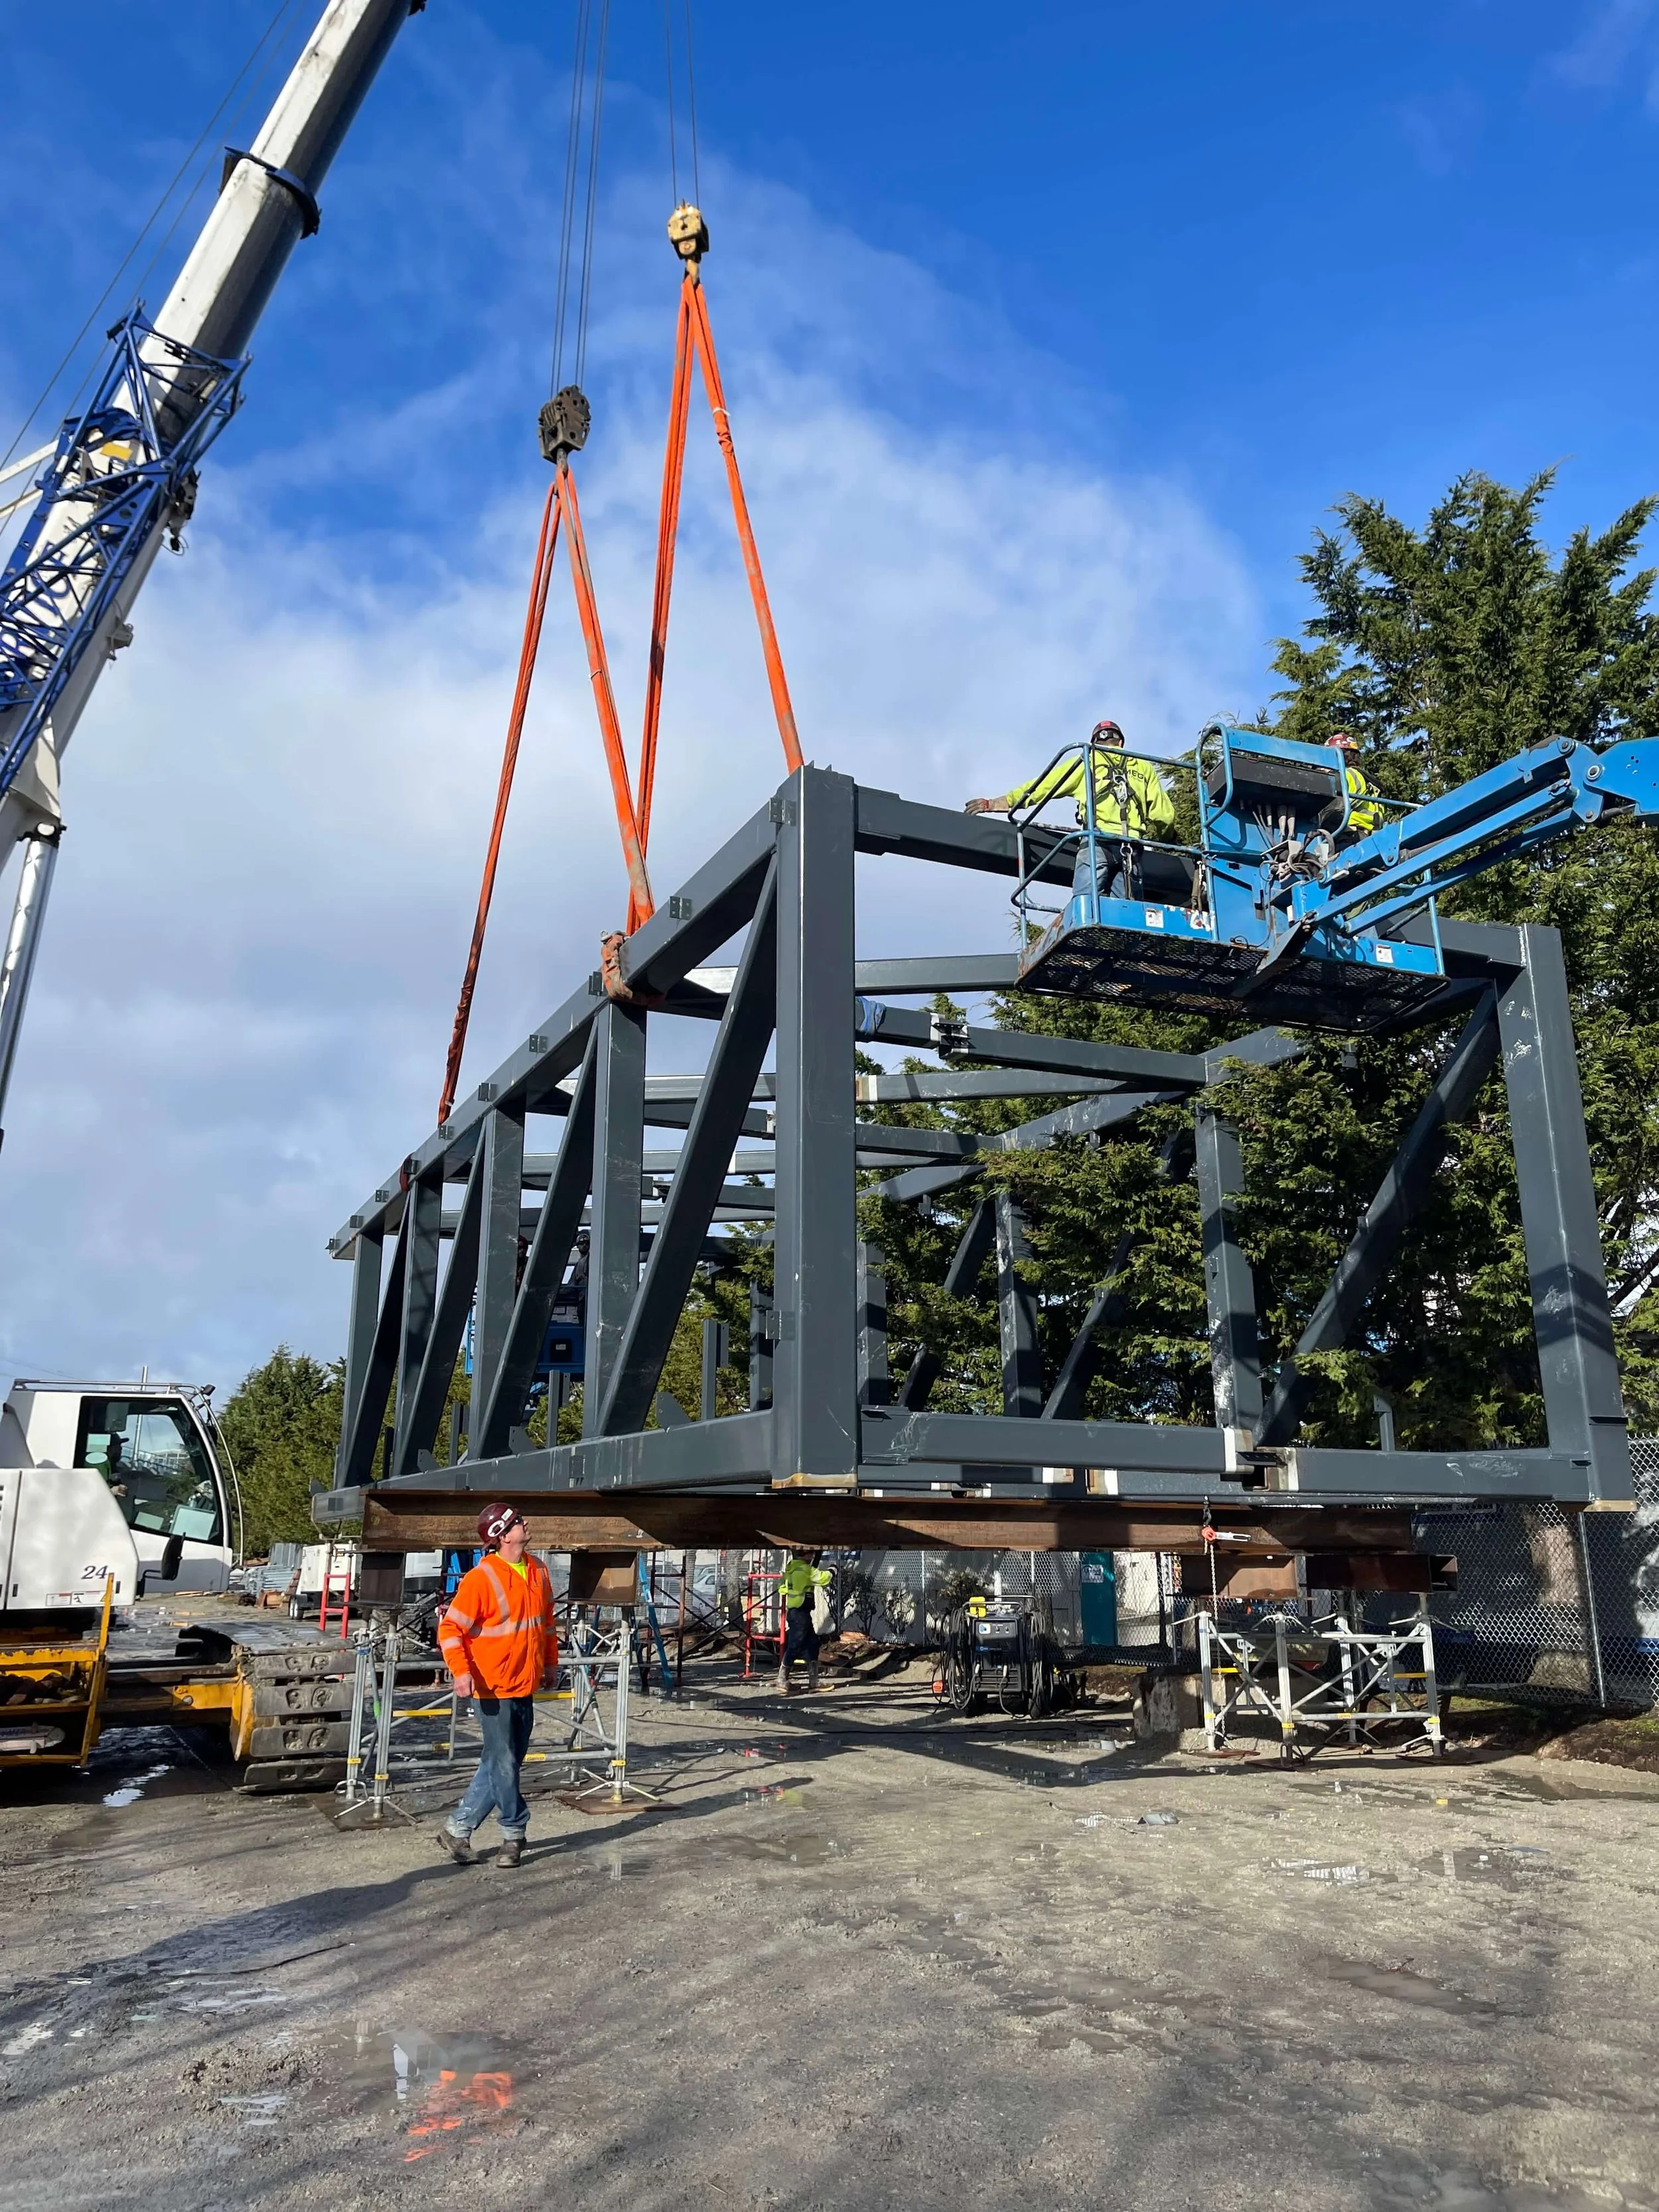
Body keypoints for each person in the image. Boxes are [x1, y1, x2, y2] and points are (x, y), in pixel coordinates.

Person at [435, 1503, 558, 1868]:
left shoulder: (537, 1569)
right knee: (504, 1763)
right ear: (504, 1536)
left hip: (525, 1682)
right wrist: (460, 1671)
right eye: (518, 1522)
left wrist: (551, 1663)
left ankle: (457, 1829)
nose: (525, 1523)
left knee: (502, 1763)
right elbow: (450, 1629)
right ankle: (513, 1834)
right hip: (491, 1687)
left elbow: (546, 1623)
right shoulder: (481, 1578)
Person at [964, 717, 1175, 898]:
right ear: (1120, 742)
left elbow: (1043, 786)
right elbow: (1164, 816)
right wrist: (1168, 843)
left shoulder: (1087, 760)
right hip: (1131, 849)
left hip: (1097, 843)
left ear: (1094, 742)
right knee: (1127, 917)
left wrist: (998, 803)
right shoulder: (1143, 766)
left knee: (1085, 906)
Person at [776, 1548, 833, 1696]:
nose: (813, 1555)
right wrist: (833, 1570)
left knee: (812, 1643)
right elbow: (824, 1578)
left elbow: (782, 1589)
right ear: (806, 1555)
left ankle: (814, 1682)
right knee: (795, 1645)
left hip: (796, 1612)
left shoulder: (791, 1569)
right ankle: (782, 1680)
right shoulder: (805, 1570)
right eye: (811, 1554)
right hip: (801, 1613)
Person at [1328, 729, 1382, 838]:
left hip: (1347, 833)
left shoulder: (1344, 775)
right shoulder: (1368, 781)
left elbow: (1332, 809)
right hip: (1367, 834)